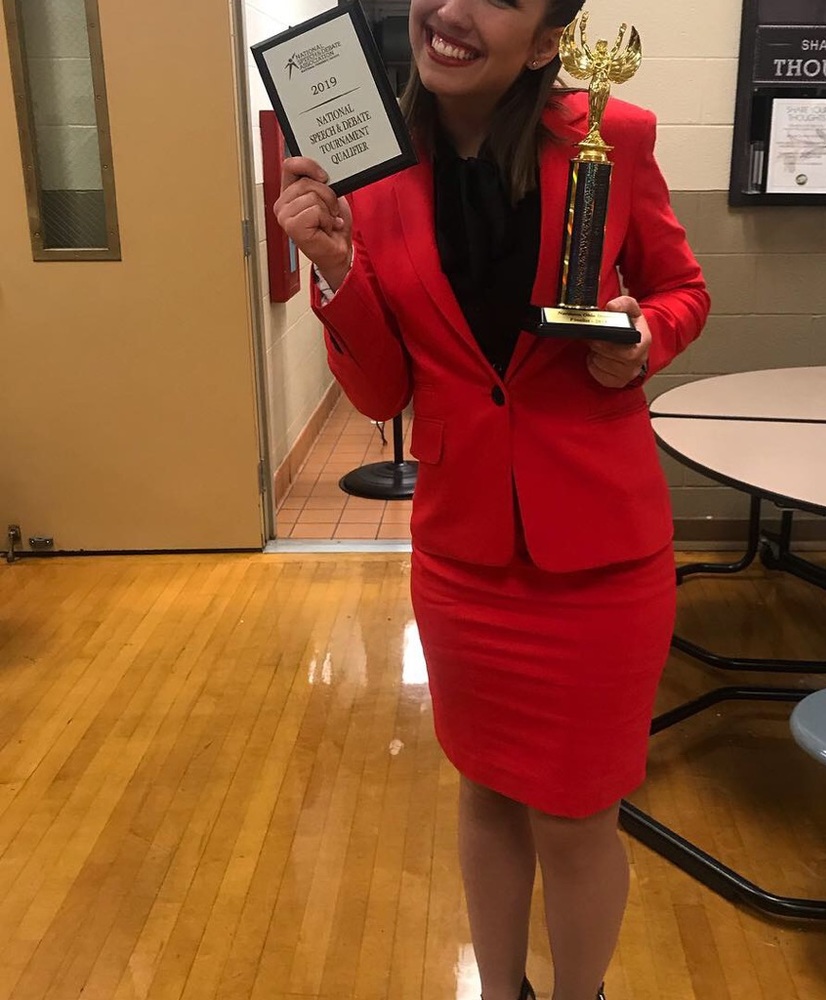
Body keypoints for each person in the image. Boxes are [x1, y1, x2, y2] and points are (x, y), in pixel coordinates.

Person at [273, 1, 710, 998]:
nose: (450, 9)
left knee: (576, 815)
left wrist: (647, 338)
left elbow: (683, 289)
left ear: (547, 41)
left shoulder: (615, 140)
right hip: (466, 560)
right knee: (485, 792)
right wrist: (335, 267)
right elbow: (384, 393)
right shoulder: (373, 179)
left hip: (601, 558)